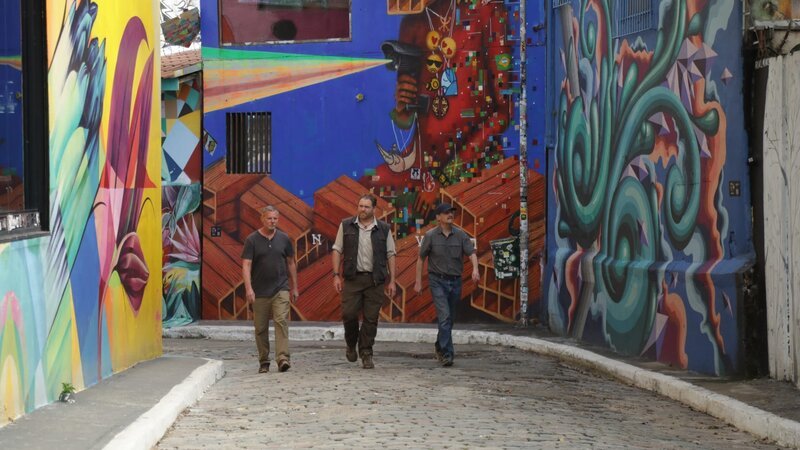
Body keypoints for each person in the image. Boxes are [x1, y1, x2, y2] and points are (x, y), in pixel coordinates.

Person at [331, 194, 397, 369]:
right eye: (360, 206)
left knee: (371, 318)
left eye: (366, 207)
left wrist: (392, 281)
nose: (362, 209)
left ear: (374, 209)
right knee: (349, 314)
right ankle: (352, 344)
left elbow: (391, 253)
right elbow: (337, 249)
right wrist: (336, 274)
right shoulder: (346, 225)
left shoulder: (383, 228)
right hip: (353, 278)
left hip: (375, 280)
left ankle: (366, 352)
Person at [414, 202, 479, 366]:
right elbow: (421, 259)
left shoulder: (461, 235)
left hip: (455, 281)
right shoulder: (430, 236)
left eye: (451, 212)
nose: (450, 215)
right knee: (444, 317)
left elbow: (471, 253)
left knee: (450, 319)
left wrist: (475, 270)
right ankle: (447, 353)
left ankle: (439, 345)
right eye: (446, 212)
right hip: (437, 281)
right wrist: (418, 282)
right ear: (438, 217)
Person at [242, 205, 299, 373]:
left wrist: (295, 287)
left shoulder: (284, 238)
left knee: (281, 321)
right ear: (262, 219)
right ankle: (264, 360)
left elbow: (291, 262)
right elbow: (246, 265)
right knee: (260, 328)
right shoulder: (252, 240)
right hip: (259, 291)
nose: (272, 221)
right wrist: (248, 289)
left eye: (275, 218)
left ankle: (282, 358)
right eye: (269, 218)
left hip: (280, 288)